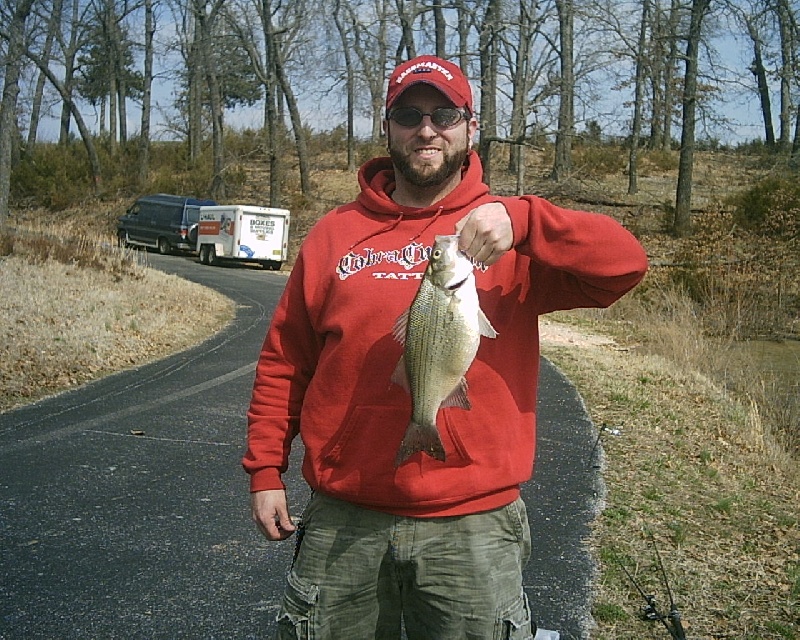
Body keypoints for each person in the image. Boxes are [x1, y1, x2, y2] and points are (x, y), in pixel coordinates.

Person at [244, 54, 648, 639]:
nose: (427, 129)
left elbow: (625, 266)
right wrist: (265, 471)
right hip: (345, 517)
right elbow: (285, 361)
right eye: (409, 114)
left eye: (444, 114)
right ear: (388, 127)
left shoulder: (505, 235)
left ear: (470, 126)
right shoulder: (334, 233)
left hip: (475, 525)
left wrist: (525, 220)